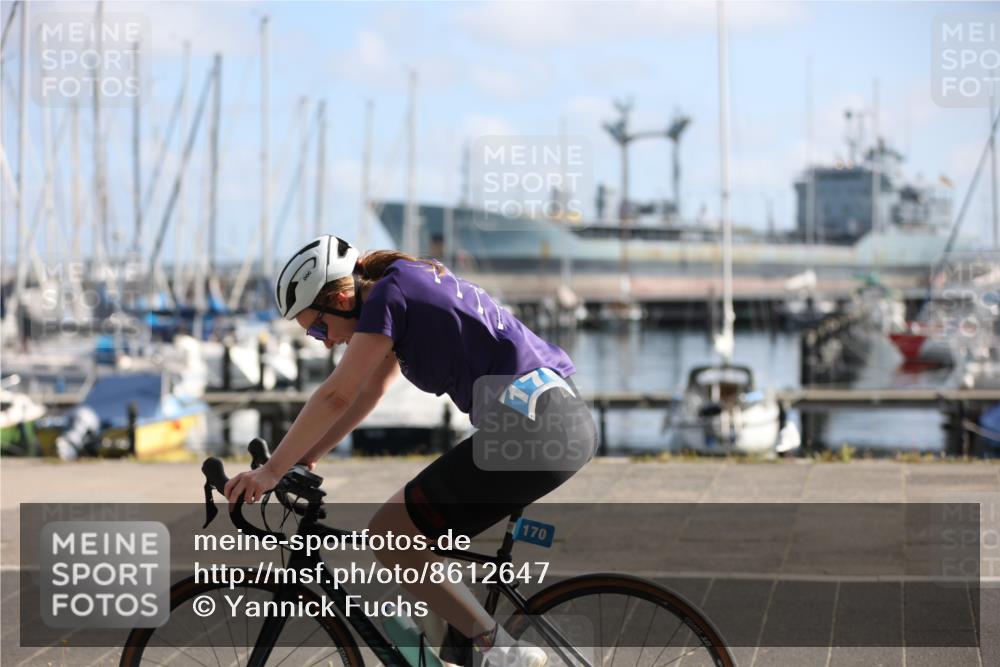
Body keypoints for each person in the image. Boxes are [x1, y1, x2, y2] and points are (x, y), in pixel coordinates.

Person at [225, 235, 598, 666]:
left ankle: (504, 652)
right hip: (554, 419)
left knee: (390, 532)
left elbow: (336, 396)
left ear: (343, 297)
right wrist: (310, 455)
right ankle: (466, 652)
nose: (323, 342)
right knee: (418, 543)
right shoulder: (401, 287)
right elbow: (368, 394)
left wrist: (271, 470)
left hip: (533, 426)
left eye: (318, 327)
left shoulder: (388, 295)